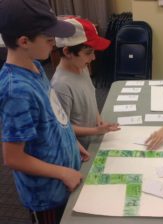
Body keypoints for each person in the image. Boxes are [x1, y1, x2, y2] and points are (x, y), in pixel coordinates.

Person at [0, 1, 88, 223]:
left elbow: (53, 114)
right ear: (24, 41)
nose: (54, 43)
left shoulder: (36, 66)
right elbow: (13, 158)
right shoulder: (16, 91)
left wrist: (72, 142)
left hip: (63, 179)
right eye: (49, 40)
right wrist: (63, 172)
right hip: (47, 196)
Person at [51, 17, 120, 149]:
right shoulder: (60, 85)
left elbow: (90, 98)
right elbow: (62, 127)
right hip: (80, 148)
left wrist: (98, 118)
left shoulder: (82, 68)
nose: (93, 58)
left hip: (93, 139)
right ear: (67, 52)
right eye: (88, 53)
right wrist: (95, 131)